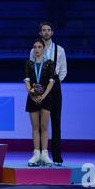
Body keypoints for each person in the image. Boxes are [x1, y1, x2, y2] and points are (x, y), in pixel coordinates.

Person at [30, 22, 67, 166]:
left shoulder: (60, 50)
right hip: (38, 85)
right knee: (38, 122)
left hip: (55, 86)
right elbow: (31, 69)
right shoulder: (34, 50)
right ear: (40, 33)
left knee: (55, 121)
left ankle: (57, 157)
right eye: (43, 30)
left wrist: (54, 83)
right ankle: (38, 154)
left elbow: (63, 70)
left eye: (48, 30)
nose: (46, 32)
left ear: (52, 33)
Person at [24, 39, 55, 166]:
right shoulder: (29, 64)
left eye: (39, 47)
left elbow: (51, 82)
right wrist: (32, 95)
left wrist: (43, 96)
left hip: (46, 98)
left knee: (44, 127)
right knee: (35, 127)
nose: (37, 49)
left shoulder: (49, 63)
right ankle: (36, 154)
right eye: (35, 47)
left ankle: (45, 154)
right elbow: (27, 81)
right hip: (32, 98)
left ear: (44, 49)